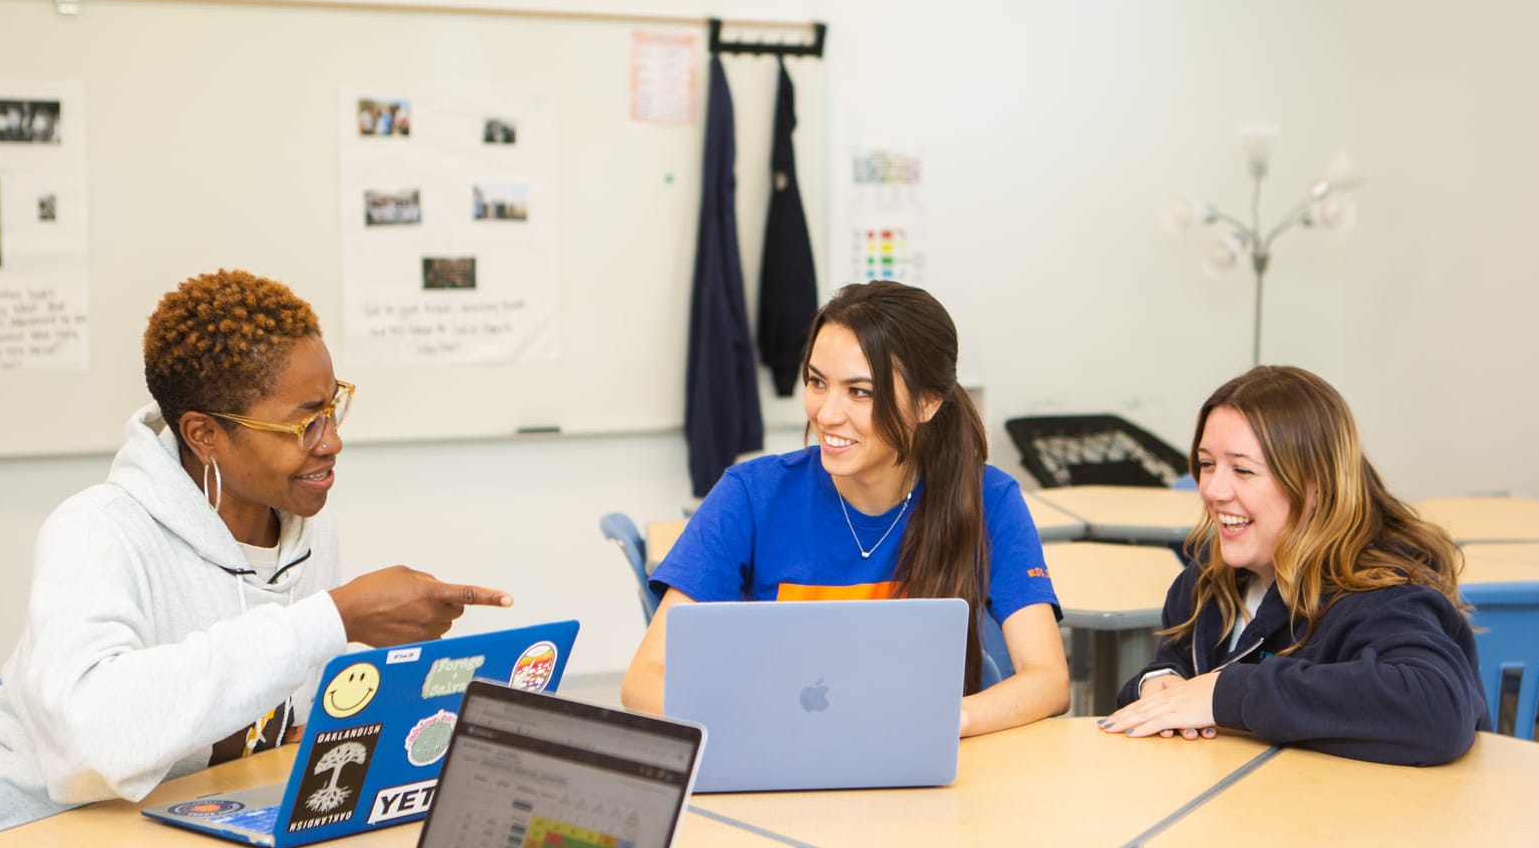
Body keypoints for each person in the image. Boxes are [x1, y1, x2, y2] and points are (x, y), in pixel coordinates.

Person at [0, 270, 509, 848]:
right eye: (302, 421)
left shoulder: (311, 534)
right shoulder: (98, 531)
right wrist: (334, 617)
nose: (332, 440)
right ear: (203, 434)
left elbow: (280, 720)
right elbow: (93, 738)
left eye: (334, 406)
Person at [623, 280, 1069, 735]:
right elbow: (645, 680)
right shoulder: (750, 494)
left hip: (920, 775)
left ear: (928, 402)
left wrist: (943, 721)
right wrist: (757, 727)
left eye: (860, 392)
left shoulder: (988, 498)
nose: (827, 413)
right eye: (817, 382)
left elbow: (1048, 679)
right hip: (775, 758)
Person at [1100, 365, 1488, 766]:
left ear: (1314, 484)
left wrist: (1226, 694)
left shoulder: (1379, 591)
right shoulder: (1205, 583)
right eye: (1207, 464)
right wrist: (1157, 684)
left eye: (1243, 470)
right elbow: (1181, 675)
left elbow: (1437, 706)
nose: (1213, 490)